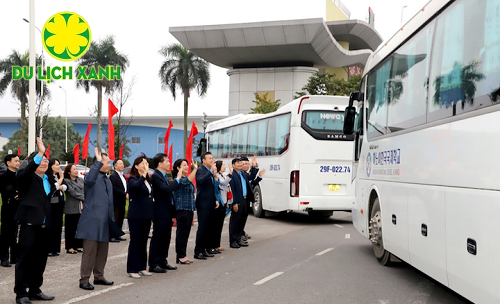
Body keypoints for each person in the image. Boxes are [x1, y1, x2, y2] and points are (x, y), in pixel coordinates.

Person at [14, 138, 56, 304]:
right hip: (29, 226)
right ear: (34, 163)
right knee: (25, 261)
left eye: (46, 160)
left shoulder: (48, 180)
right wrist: (39, 153)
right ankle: (21, 294)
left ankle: (35, 290)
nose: (44, 162)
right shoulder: (26, 178)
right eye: (41, 160)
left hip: (44, 227)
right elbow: (24, 172)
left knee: (40, 260)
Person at [75, 148, 115, 291]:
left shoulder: (106, 179)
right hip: (92, 221)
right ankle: (84, 279)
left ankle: (99, 276)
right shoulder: (92, 178)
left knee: (103, 251)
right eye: (107, 162)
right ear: (99, 163)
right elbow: (89, 178)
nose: (110, 164)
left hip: (105, 221)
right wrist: (97, 162)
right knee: (90, 252)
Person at [148, 153, 182, 273]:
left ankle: (163, 260)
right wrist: (177, 179)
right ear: (160, 163)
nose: (169, 163)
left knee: (166, 237)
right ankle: (154, 263)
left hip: (167, 211)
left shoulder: (163, 175)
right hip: (160, 212)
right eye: (167, 161)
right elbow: (166, 189)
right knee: (158, 237)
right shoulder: (156, 176)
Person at [126, 154, 154, 278]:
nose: (145, 165)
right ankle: (132, 268)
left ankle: (142, 266)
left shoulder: (147, 180)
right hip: (136, 215)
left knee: (143, 242)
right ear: (136, 166)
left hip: (146, 215)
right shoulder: (133, 179)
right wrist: (143, 175)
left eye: (146, 163)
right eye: (142, 163)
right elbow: (136, 187)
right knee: (135, 241)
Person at [172, 159, 197, 265]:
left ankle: (183, 255)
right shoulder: (178, 179)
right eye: (184, 165)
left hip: (189, 209)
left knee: (186, 233)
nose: (187, 167)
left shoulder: (186, 178)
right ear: (178, 168)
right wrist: (195, 169)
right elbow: (187, 182)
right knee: (181, 233)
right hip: (181, 209)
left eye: (187, 165)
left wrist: (193, 209)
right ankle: (180, 255)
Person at [194, 152, 218, 260]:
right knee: (202, 228)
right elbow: (200, 181)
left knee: (209, 228)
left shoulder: (210, 171)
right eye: (209, 158)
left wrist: (215, 199)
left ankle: (205, 249)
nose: (212, 160)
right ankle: (198, 251)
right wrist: (210, 172)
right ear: (203, 160)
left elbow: (212, 188)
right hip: (203, 203)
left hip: (210, 202)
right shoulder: (200, 170)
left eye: (212, 158)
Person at [207, 160, 232, 254]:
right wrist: (230, 173)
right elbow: (224, 183)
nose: (225, 167)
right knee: (215, 226)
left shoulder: (222, 176)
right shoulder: (217, 176)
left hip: (224, 203)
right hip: (219, 203)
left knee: (220, 225)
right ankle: (213, 245)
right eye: (223, 165)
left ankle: (217, 244)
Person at [0, 153, 20, 267]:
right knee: (6, 234)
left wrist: (19, 194)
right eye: (16, 161)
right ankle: (3, 258)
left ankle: (14, 257)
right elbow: (7, 189)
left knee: (15, 234)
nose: (18, 163)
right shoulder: (3, 175)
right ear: (8, 163)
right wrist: (14, 193)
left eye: (18, 161)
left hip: (17, 208)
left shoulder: (18, 175)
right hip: (8, 208)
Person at [228, 158, 253, 249]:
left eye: (240, 163)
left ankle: (239, 239)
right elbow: (232, 190)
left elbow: (251, 177)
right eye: (237, 163)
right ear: (233, 165)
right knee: (235, 221)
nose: (240, 165)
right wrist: (234, 203)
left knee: (242, 220)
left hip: (245, 200)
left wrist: (254, 167)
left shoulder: (243, 174)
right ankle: (233, 241)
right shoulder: (232, 175)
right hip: (237, 201)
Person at [239, 156, 265, 242]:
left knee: (244, 217)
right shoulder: (241, 174)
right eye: (244, 164)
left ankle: (241, 233)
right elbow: (251, 177)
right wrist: (254, 168)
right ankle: (239, 235)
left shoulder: (245, 174)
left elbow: (252, 182)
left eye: (247, 163)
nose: (246, 165)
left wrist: (259, 176)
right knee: (239, 218)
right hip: (240, 199)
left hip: (246, 199)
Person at [63, 163, 84, 255]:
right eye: (74, 169)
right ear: (69, 172)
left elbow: (85, 190)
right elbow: (73, 193)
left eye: (76, 169)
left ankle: (79, 245)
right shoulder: (66, 181)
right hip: (71, 207)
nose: (76, 171)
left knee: (79, 227)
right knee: (70, 228)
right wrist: (85, 197)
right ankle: (70, 246)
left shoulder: (81, 180)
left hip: (81, 207)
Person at [46, 158, 66, 257]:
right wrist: (60, 180)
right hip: (51, 205)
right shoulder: (48, 177)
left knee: (58, 226)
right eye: (56, 165)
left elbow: (65, 186)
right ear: (51, 166)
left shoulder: (57, 176)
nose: (58, 167)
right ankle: (49, 249)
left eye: (59, 165)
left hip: (59, 204)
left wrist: (60, 184)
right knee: (51, 226)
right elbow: (53, 188)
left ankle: (55, 249)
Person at [109, 159, 128, 242]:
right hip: (116, 200)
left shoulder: (123, 175)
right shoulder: (113, 176)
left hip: (122, 200)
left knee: (120, 218)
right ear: (115, 166)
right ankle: (112, 235)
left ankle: (118, 234)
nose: (122, 165)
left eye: (122, 164)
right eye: (120, 164)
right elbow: (114, 188)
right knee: (116, 218)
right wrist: (124, 194)